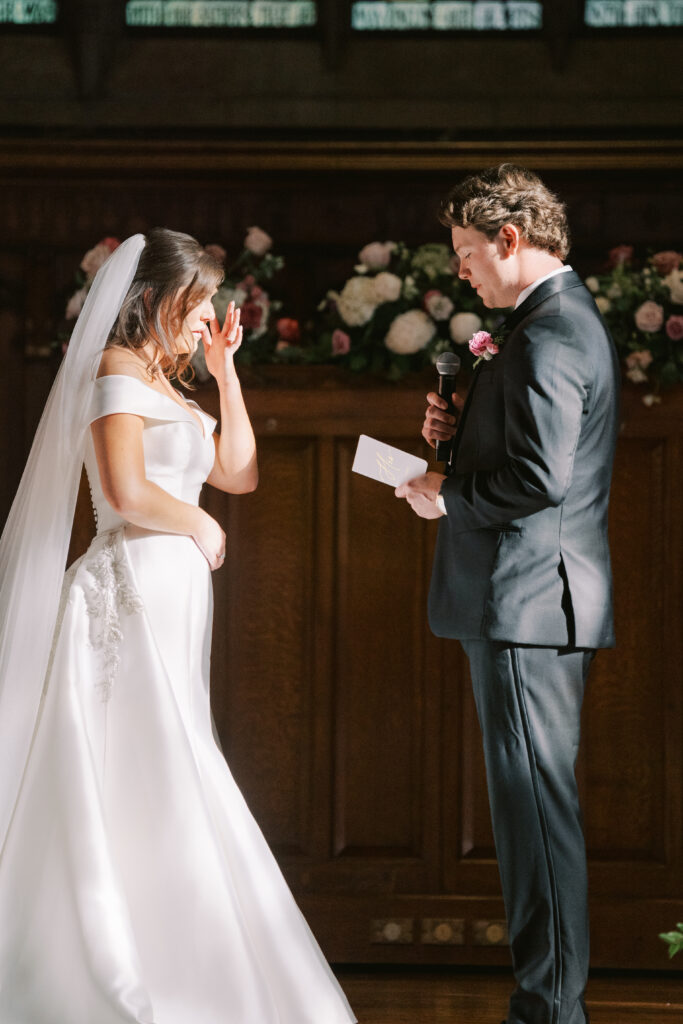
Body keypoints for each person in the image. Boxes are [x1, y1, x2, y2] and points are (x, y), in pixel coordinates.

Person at [0, 228, 356, 1024]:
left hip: (173, 597)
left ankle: (175, 949)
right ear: (156, 300)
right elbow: (124, 492)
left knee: (175, 744)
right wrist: (196, 522)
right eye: (197, 307)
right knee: (142, 756)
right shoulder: (114, 369)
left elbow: (239, 472)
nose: (207, 320)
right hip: (129, 587)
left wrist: (227, 377)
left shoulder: (169, 384)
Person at [395, 165, 620, 1024]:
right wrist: (460, 436)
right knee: (530, 812)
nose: (459, 269)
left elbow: (538, 479)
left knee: (534, 816)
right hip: (530, 604)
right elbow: (530, 455)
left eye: (465, 251)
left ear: (510, 239)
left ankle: (550, 1010)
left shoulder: (548, 334)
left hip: (529, 604)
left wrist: (445, 495)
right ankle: (548, 1003)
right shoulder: (542, 325)